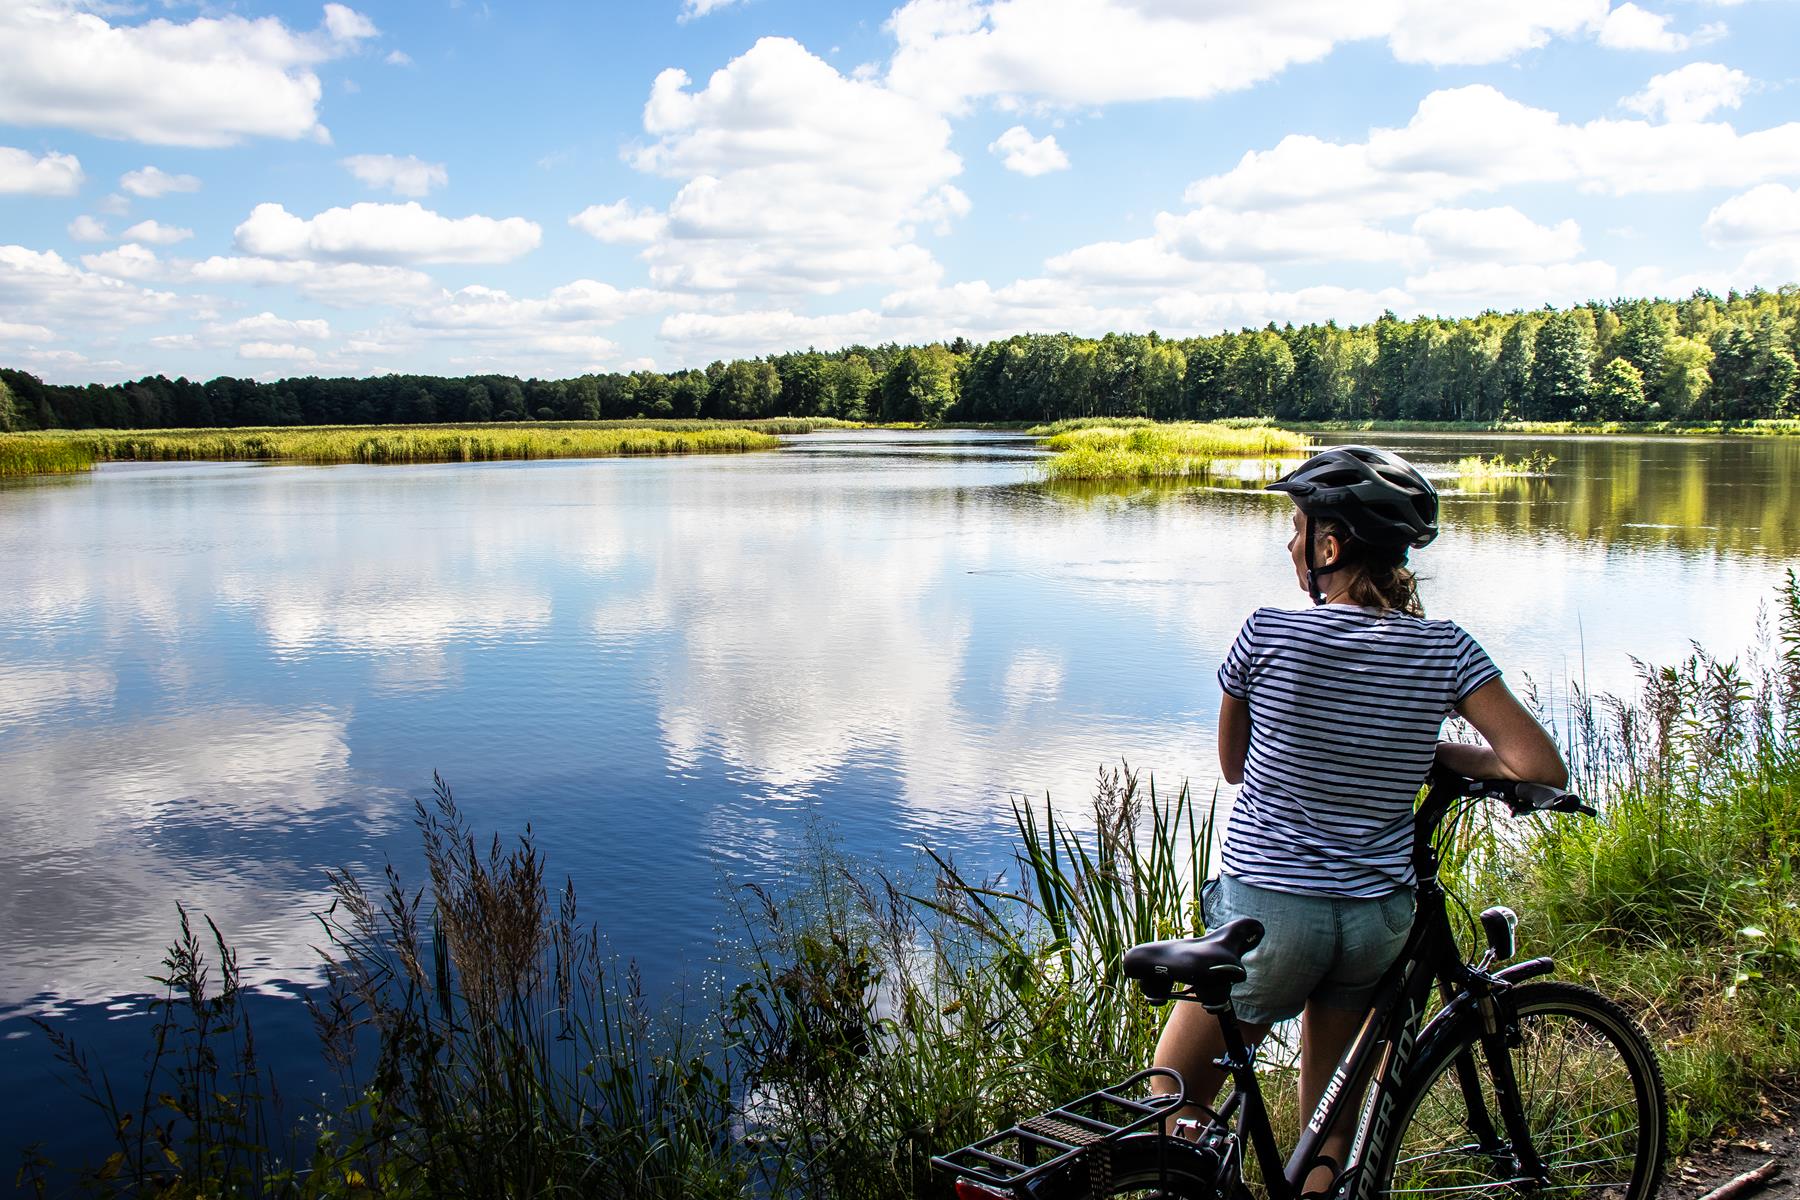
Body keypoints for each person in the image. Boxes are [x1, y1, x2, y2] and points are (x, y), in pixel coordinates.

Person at [1153, 445, 1567, 1196]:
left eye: (1298, 529)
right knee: (1327, 1124)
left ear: (1330, 546)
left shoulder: (1267, 633)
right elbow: (1536, 767)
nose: (1289, 544)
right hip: (1373, 922)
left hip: (1271, 917)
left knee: (1167, 1098)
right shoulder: (1445, 649)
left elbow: (1235, 764)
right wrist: (1432, 748)